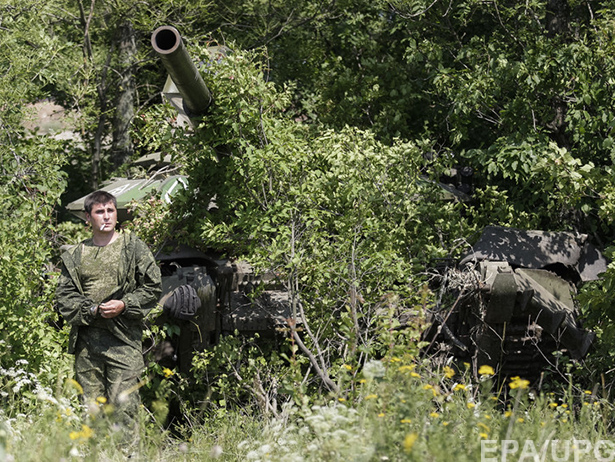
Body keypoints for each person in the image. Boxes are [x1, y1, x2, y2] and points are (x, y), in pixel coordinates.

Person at [56, 190, 162, 424]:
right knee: (92, 412)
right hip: (87, 345)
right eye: (99, 212)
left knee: (125, 408)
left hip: (123, 340)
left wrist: (124, 304)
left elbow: (153, 288)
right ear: (87, 217)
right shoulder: (75, 254)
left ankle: (127, 457)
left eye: (110, 211)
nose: (106, 216)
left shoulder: (132, 248)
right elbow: (64, 298)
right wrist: (92, 310)